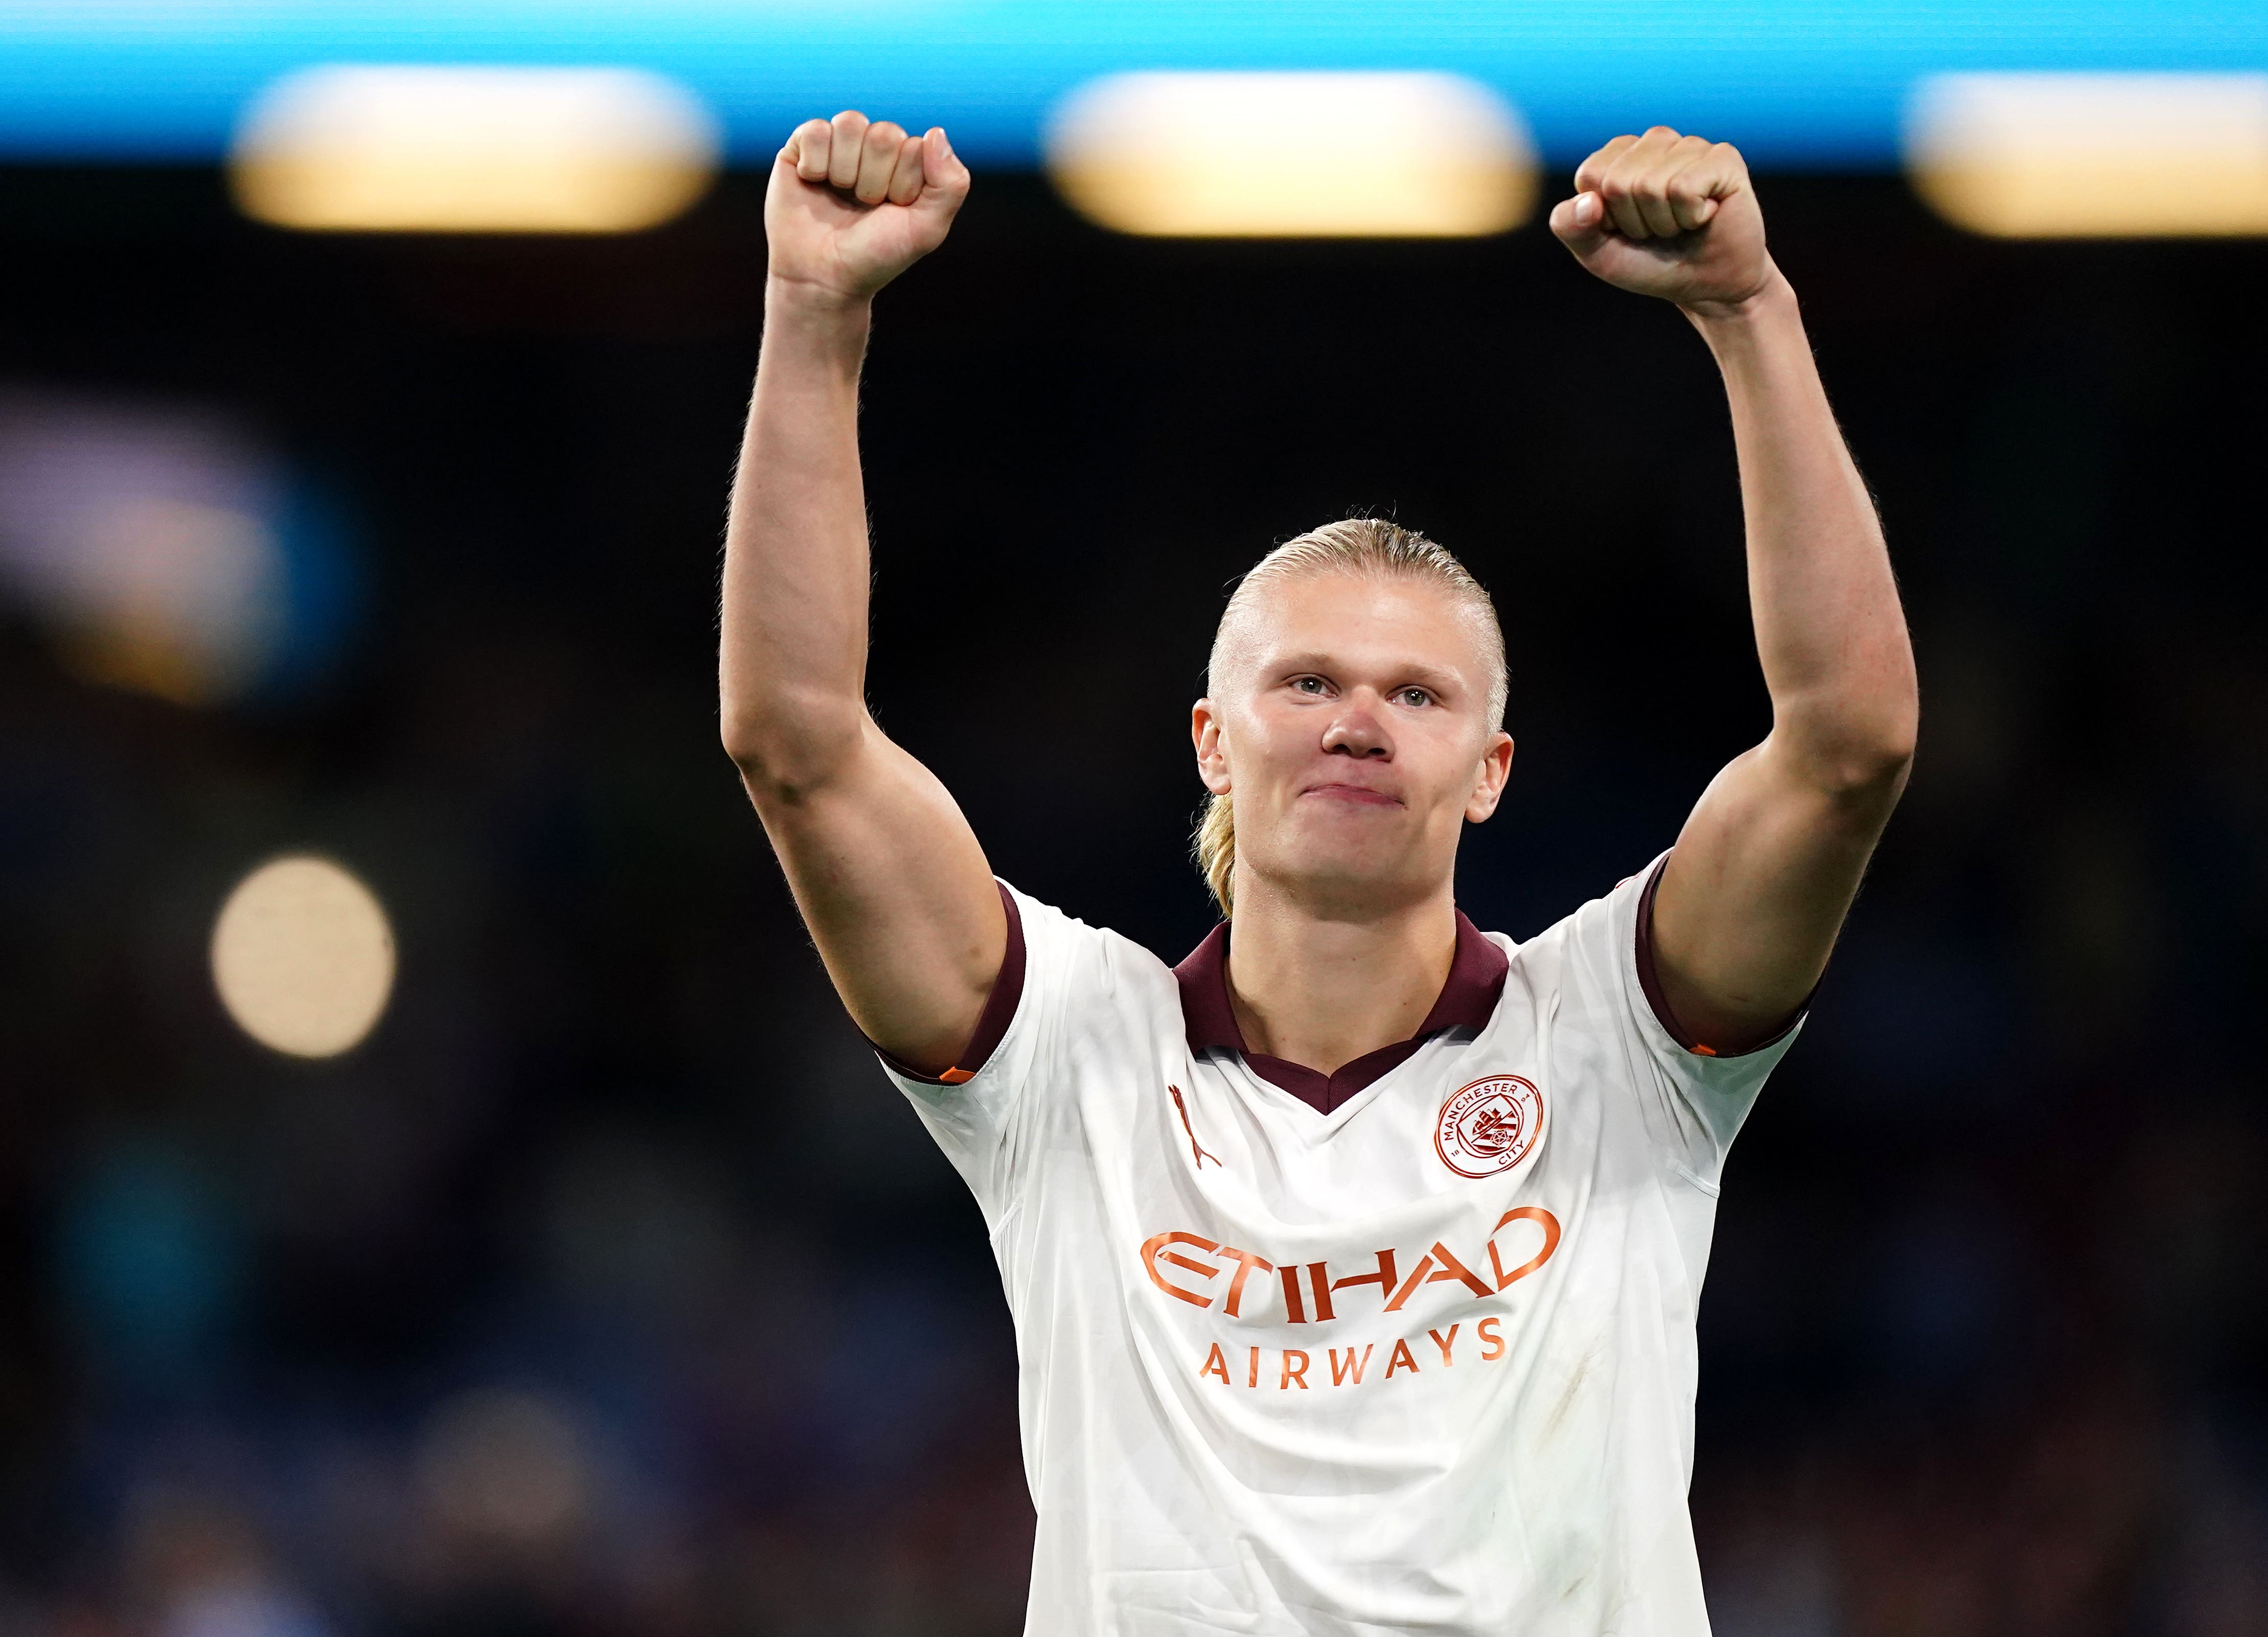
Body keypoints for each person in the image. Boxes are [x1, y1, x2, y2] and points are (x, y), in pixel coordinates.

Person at [718, 109, 1916, 1636]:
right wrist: (814, 314)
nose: (1359, 718)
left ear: (1491, 768)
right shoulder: (1073, 1058)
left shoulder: (1622, 1040)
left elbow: (1850, 748)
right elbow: (797, 745)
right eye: (1309, 684)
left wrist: (1752, 313)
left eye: (1418, 695)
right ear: (1214, 741)